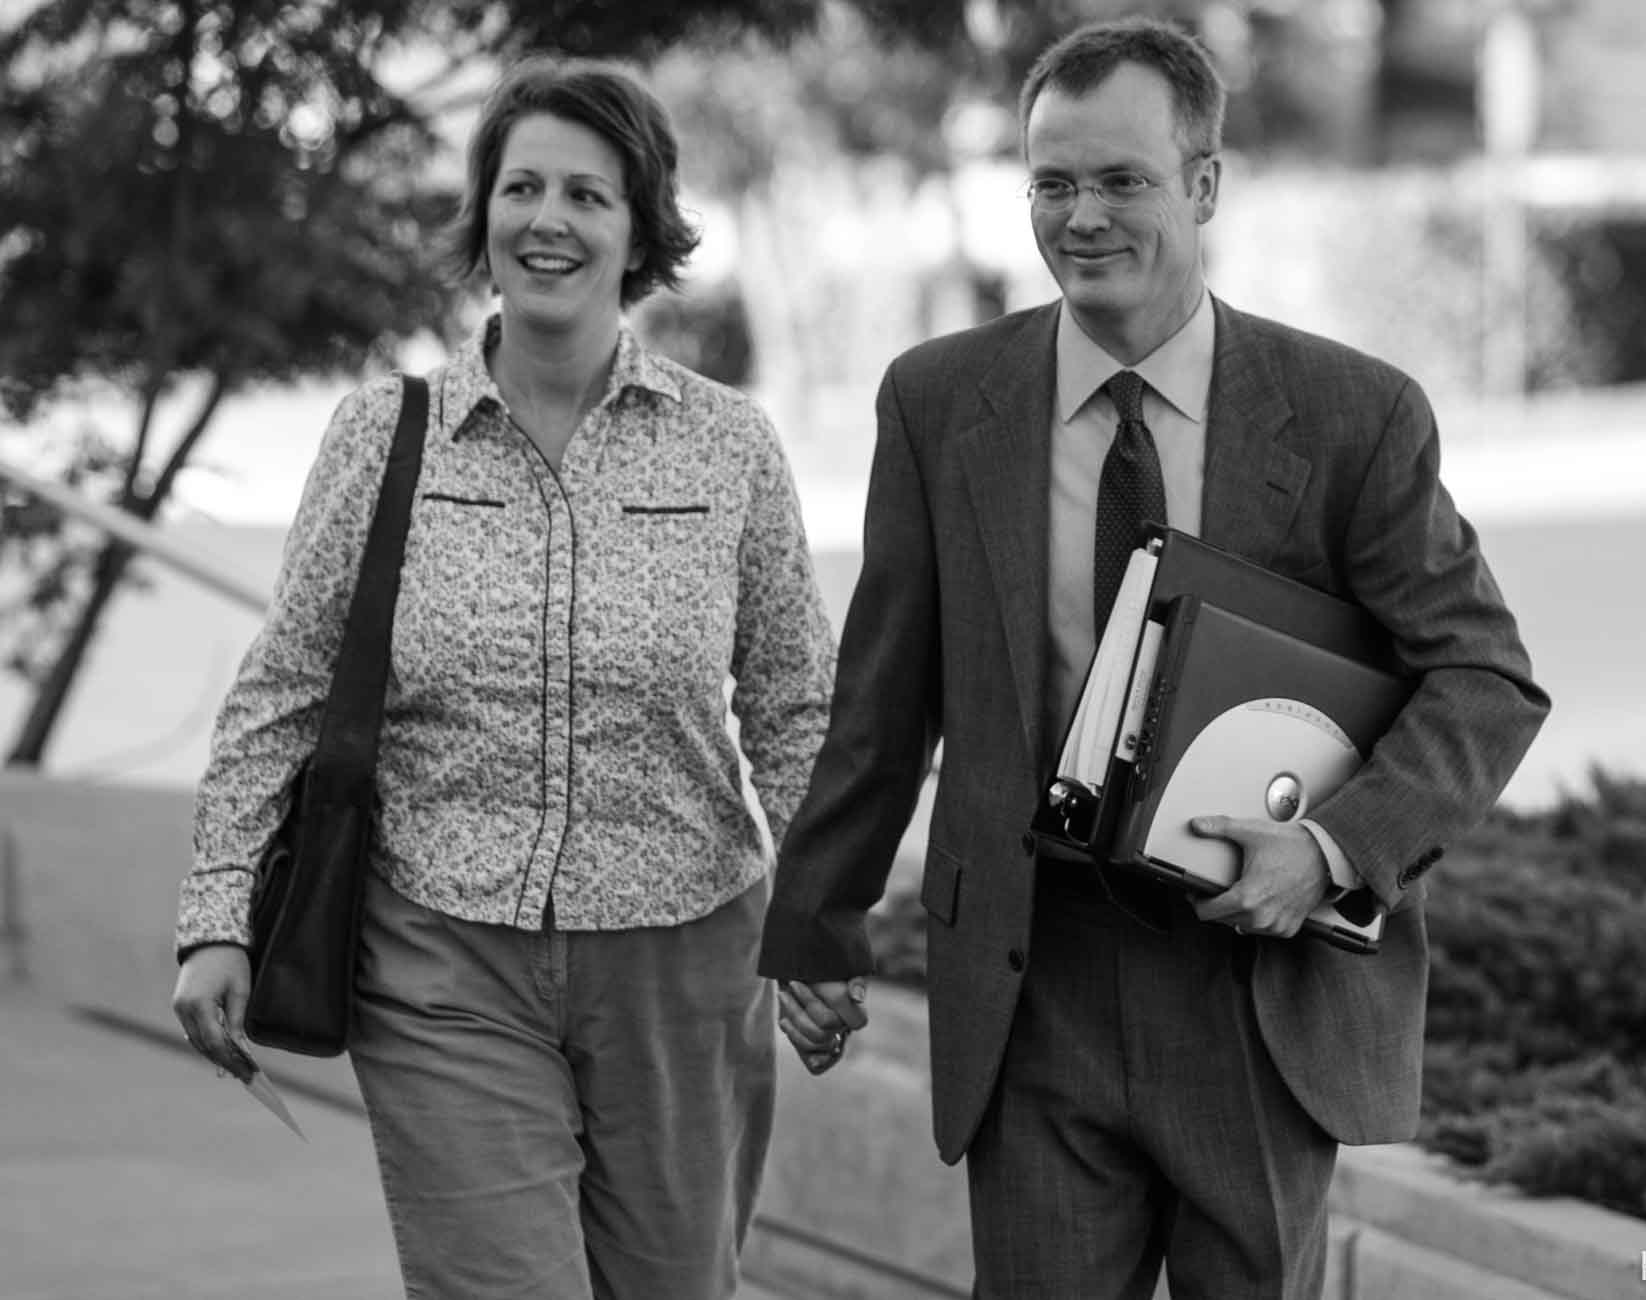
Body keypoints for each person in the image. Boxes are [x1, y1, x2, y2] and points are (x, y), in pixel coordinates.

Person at [760, 17, 1549, 1299]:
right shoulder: (941, 401)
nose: (1082, 217)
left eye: (1121, 179)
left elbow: (1486, 679)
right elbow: (887, 694)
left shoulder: (1354, 415)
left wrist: (1335, 850)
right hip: (1032, 983)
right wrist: (817, 917)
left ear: (1204, 185)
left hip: (1252, 987)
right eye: (1052, 183)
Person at [170, 56, 834, 1300]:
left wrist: (824, 916)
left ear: (640, 227)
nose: (548, 219)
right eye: (520, 187)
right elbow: (286, 688)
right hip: (442, 955)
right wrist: (216, 917)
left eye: (588, 194)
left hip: (683, 965)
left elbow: (797, 705)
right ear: (482, 217)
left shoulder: (727, 442)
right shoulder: (384, 434)